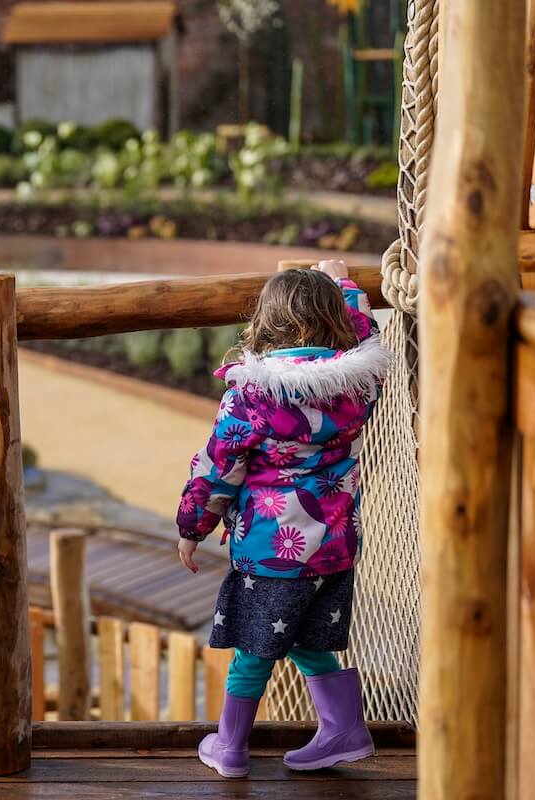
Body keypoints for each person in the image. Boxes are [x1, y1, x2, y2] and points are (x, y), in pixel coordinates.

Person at [176, 259, 391, 778]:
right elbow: (369, 338)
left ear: (266, 324)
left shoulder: (251, 397)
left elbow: (218, 470)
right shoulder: (359, 387)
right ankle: (344, 728)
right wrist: (343, 285)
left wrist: (191, 528)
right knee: (305, 637)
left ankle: (230, 745)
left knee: (254, 646)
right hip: (333, 548)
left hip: (271, 551)